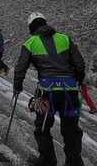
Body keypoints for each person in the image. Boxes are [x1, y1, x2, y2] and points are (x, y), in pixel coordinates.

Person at [13, 12, 86, 166]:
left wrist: (17, 86)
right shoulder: (64, 38)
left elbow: (20, 67)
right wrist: (77, 80)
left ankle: (47, 161)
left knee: (43, 127)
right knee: (71, 130)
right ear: (45, 23)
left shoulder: (30, 43)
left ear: (31, 27)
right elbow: (80, 64)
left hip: (47, 93)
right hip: (70, 92)